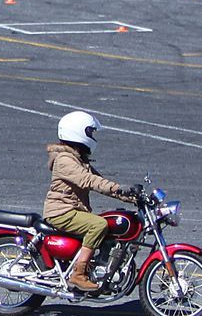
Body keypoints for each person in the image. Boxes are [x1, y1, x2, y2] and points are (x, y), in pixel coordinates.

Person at [46, 110, 138, 294]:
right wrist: (118, 188)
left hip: (73, 211)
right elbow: (89, 181)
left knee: (109, 228)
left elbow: (100, 180)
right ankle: (78, 274)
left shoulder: (77, 158)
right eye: (90, 132)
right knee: (98, 225)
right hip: (61, 212)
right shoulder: (65, 159)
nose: (92, 136)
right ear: (78, 131)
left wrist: (132, 197)